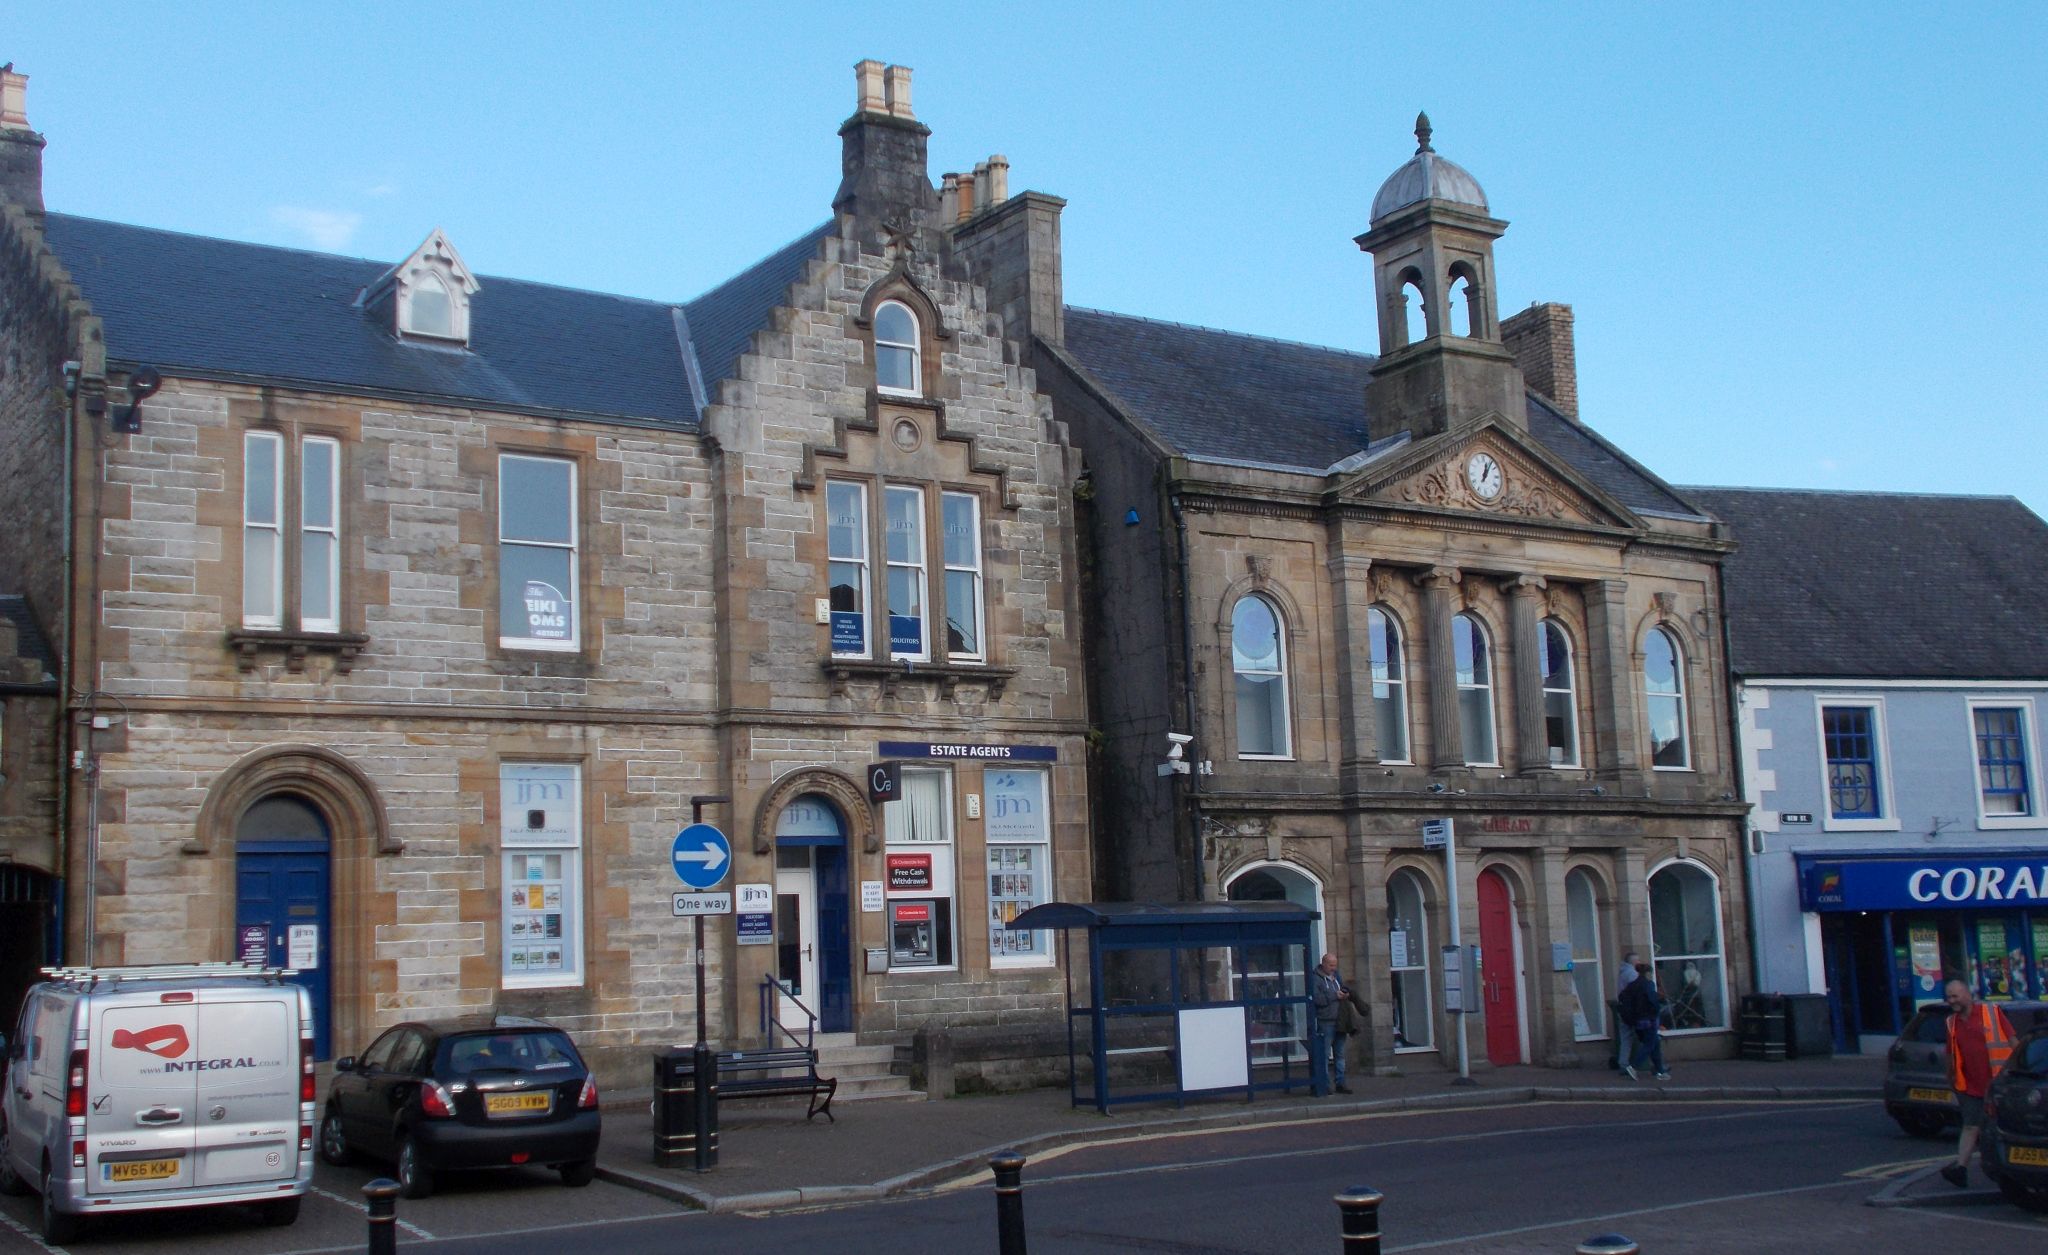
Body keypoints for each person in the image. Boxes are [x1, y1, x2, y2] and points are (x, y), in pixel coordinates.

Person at [1940, 977, 2016, 1188]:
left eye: (1955, 996)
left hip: (1999, 1085)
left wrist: (2019, 1073)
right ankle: (1961, 1169)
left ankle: (2006, 1173)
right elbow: (1951, 1055)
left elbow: (2013, 1043)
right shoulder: (1951, 1022)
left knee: (2000, 1130)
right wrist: (1952, 1080)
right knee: (1971, 1126)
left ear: (1967, 995)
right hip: (1970, 1087)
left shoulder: (1990, 1013)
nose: (1951, 1000)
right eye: (1948, 997)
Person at [1309, 952, 1354, 1095]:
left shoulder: (1336, 977)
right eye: (1331, 965)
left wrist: (1345, 994)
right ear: (1323, 963)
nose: (1333, 968)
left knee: (1340, 1054)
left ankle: (1340, 1082)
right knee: (1325, 1055)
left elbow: (1343, 989)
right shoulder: (1316, 979)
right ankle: (1325, 1084)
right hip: (1326, 1021)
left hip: (1340, 1020)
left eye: (1335, 965)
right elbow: (1317, 999)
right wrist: (1335, 996)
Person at [1618, 962, 1670, 1081]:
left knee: (1654, 1043)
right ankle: (1633, 1066)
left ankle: (1660, 1071)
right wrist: (1657, 1007)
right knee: (1649, 1045)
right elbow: (1653, 1002)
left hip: (1637, 1021)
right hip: (1649, 1020)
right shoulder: (1648, 985)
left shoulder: (1632, 985)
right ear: (1648, 973)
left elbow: (1622, 997)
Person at [1612, 951, 1642, 1070]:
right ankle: (1639, 1064)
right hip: (1632, 1010)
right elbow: (1637, 992)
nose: (1639, 962)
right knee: (1646, 1038)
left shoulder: (1623, 972)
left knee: (1625, 1037)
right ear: (1634, 962)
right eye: (1638, 960)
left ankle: (1623, 1063)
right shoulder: (1632, 974)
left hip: (1623, 1008)